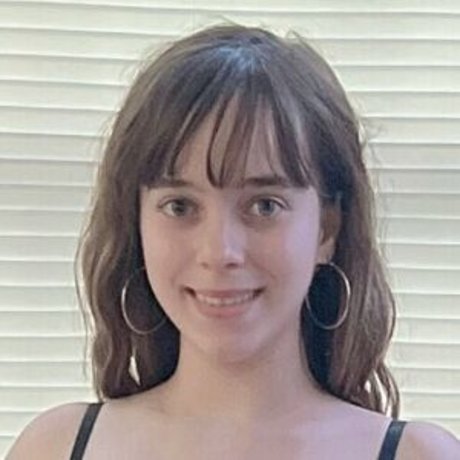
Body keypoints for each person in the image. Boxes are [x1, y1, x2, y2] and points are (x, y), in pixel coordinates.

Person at [6, 23, 460, 460]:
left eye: (264, 206)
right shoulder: (55, 448)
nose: (220, 252)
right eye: (180, 206)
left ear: (327, 229)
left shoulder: (419, 455)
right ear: (136, 223)